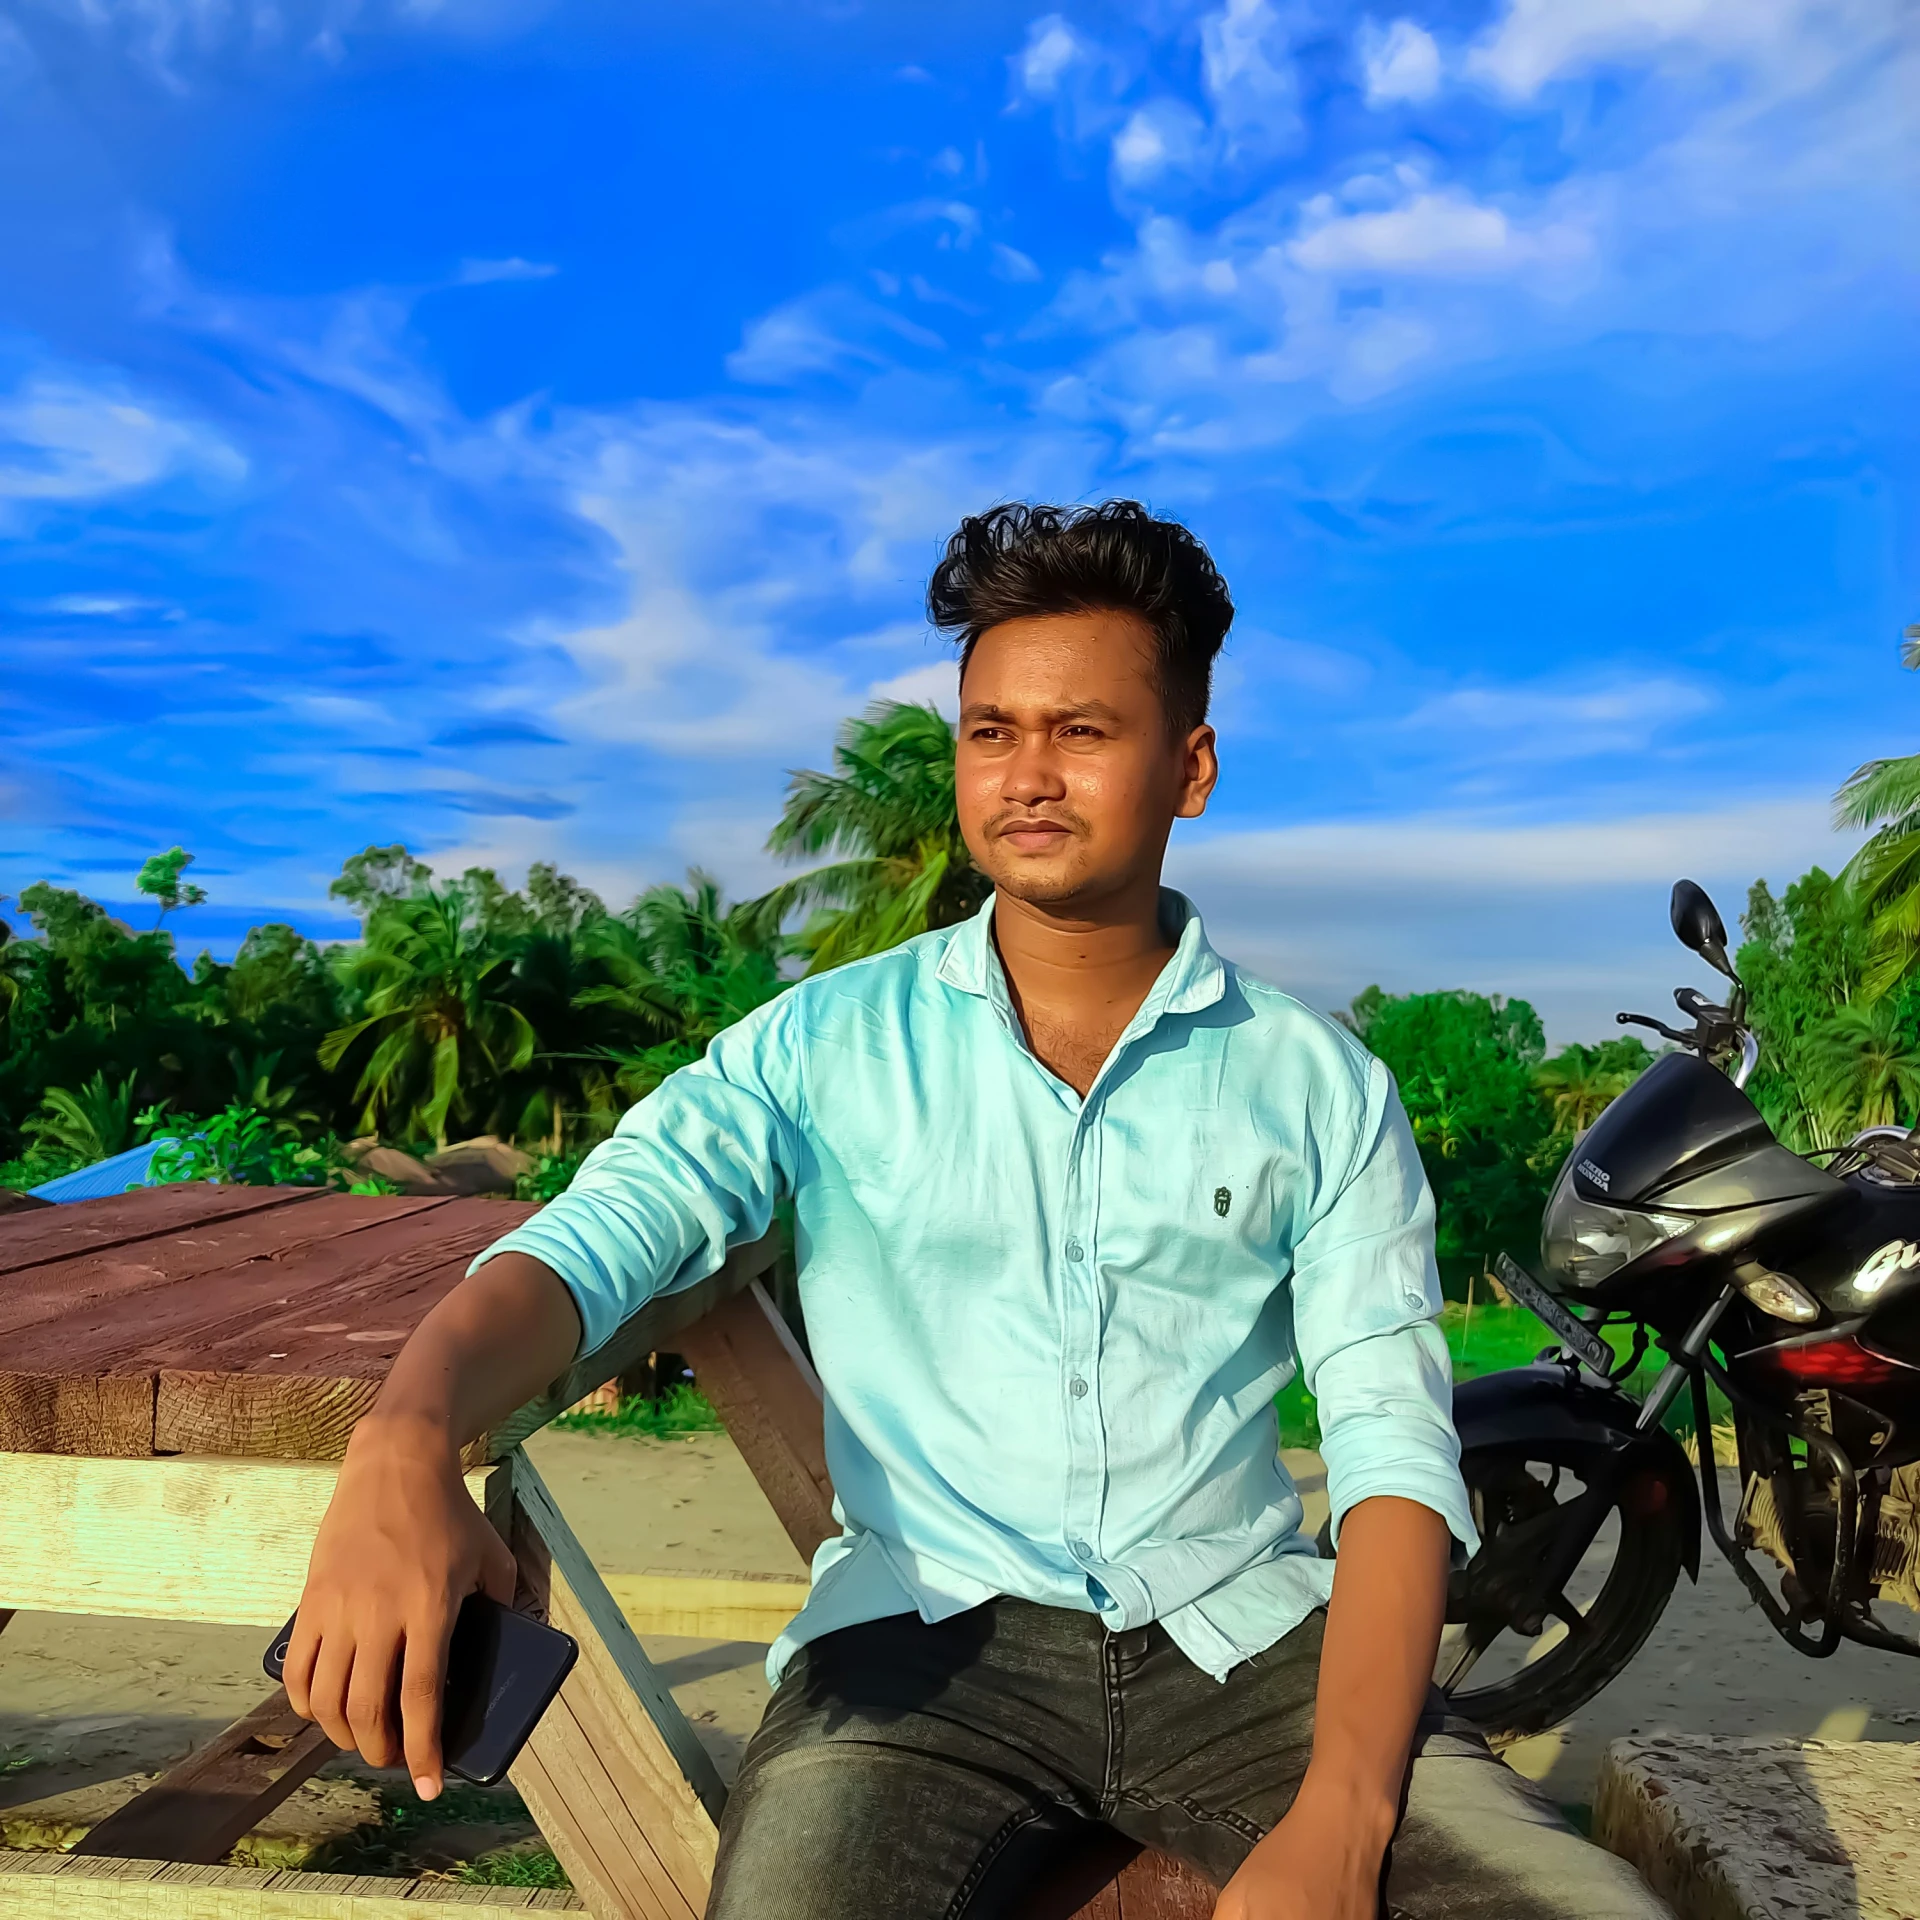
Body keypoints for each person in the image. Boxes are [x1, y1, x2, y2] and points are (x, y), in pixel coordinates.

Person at [285, 501, 1668, 1920]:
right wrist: (403, 1436)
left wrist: (1341, 1814)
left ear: (1189, 768)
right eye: (990, 731)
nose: (1027, 775)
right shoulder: (820, 1049)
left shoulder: (1319, 1087)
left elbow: (1391, 1451)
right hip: (916, 1657)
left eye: (1082, 731)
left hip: (1249, 1649)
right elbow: (601, 1241)